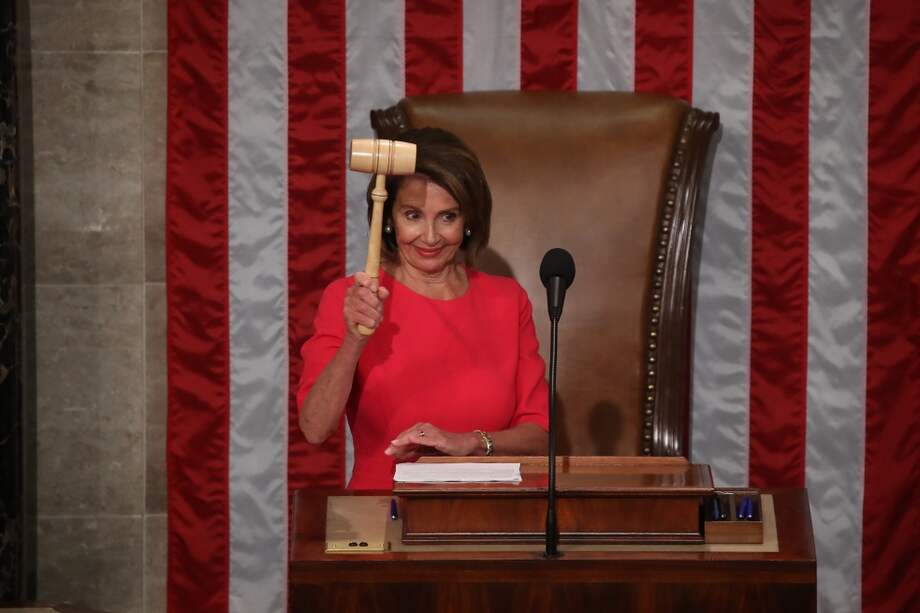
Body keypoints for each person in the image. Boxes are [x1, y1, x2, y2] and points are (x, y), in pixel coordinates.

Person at [297, 127, 549, 489]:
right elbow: (315, 429)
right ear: (389, 218)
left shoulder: (507, 300)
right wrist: (354, 339)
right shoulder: (350, 298)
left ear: (468, 222)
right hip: (383, 514)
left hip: (489, 518)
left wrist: (471, 442)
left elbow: (538, 437)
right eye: (413, 215)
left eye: (447, 217)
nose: (430, 237)